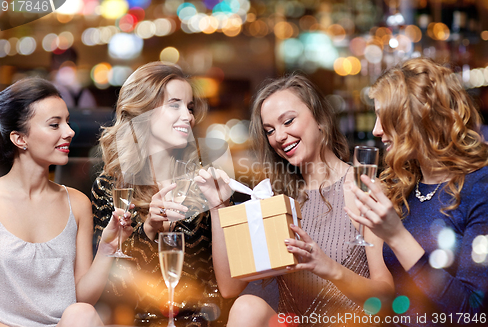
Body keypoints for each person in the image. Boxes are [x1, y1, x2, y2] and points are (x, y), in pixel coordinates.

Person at [202, 74, 394, 327]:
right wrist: (218, 206)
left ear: (320, 120)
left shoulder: (361, 188)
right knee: (246, 306)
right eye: (269, 130)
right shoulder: (275, 199)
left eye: (288, 121)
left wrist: (329, 268)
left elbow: (388, 300)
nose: (279, 136)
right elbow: (229, 287)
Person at [346, 58, 488, 326]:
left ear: (418, 117)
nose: (376, 130)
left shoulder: (480, 187)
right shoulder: (403, 187)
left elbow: (473, 312)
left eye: (384, 117)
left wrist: (397, 236)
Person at [92, 62, 233, 326]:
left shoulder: (208, 184)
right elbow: (111, 292)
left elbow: (229, 288)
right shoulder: (109, 187)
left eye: (190, 107)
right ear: (142, 110)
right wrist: (148, 230)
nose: (188, 116)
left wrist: (219, 207)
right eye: (174, 104)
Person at [0, 78, 131, 327]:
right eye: (55, 124)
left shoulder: (77, 203)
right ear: (20, 139)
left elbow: (83, 298)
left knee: (81, 314)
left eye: (67, 121)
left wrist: (108, 247)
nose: (70, 131)